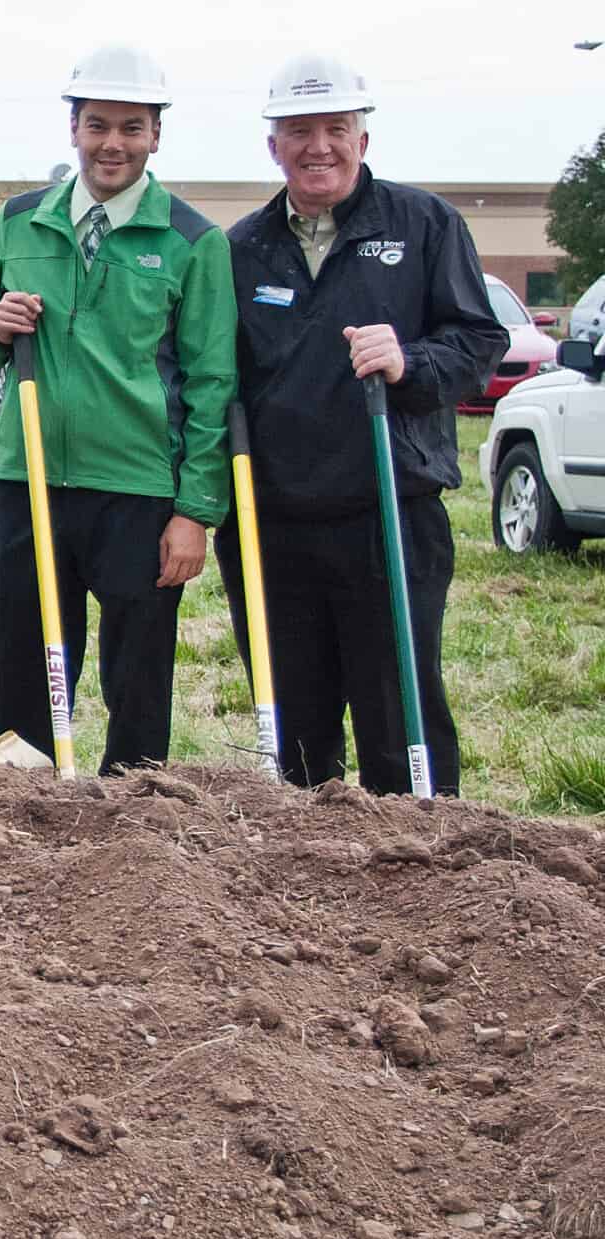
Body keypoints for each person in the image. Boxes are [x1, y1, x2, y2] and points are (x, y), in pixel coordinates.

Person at [216, 53, 505, 793]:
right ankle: (306, 888)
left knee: (398, 714)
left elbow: (480, 341)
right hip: (273, 526)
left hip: (390, 512)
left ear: (363, 139)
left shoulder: (424, 224)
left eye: (336, 128)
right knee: (298, 734)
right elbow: (210, 373)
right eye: (300, 130)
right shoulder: (239, 248)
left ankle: (420, 872)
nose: (320, 147)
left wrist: (409, 362)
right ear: (272, 145)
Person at [0, 44, 235, 774]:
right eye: (98, 124)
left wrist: (196, 511)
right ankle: (23, 806)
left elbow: (213, 380)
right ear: (73, 127)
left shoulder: (191, 241)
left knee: (138, 671)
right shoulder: (19, 224)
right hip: (30, 478)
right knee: (21, 653)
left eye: (132, 127)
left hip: (139, 490)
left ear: (156, 135)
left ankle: (133, 825)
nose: (114, 142)